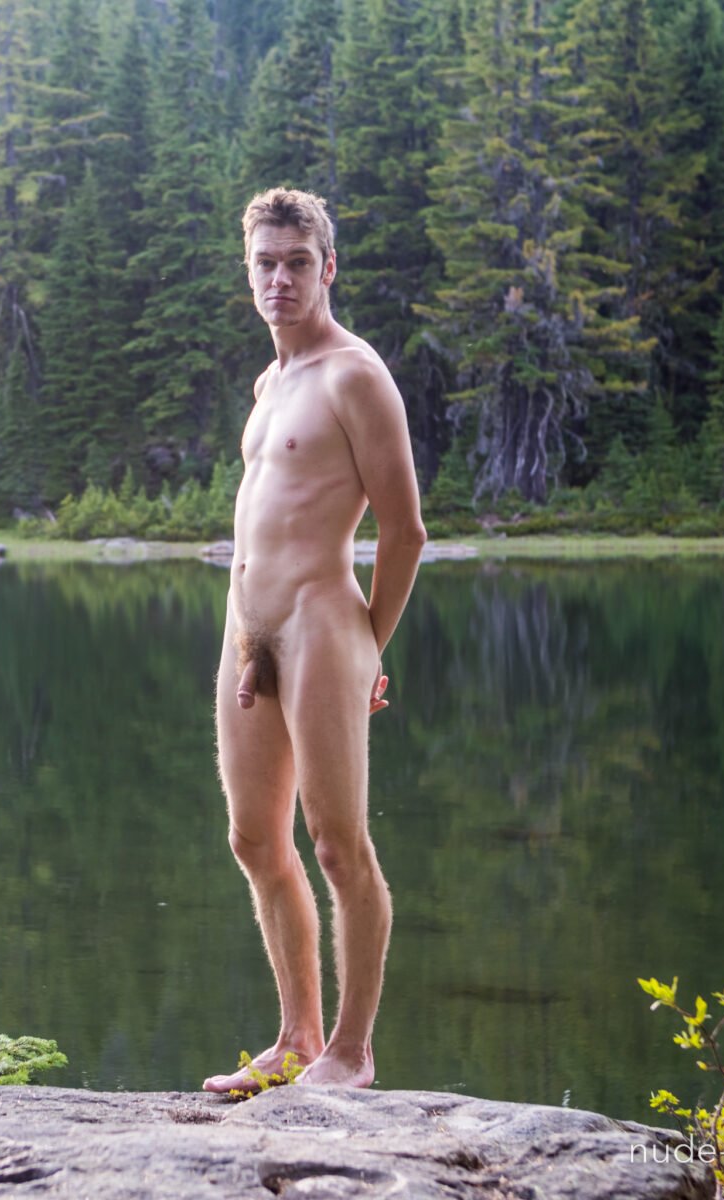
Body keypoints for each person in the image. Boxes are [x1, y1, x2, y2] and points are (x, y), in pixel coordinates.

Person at [203, 188, 426, 1093]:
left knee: (338, 846)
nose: (281, 279)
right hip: (247, 630)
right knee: (255, 840)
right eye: (266, 263)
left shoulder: (354, 375)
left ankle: (352, 1052)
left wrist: (370, 644)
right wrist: (244, 636)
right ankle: (296, 1039)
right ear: (248, 270)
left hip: (325, 626)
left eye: (298, 263)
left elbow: (405, 531)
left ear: (327, 267)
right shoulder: (270, 385)